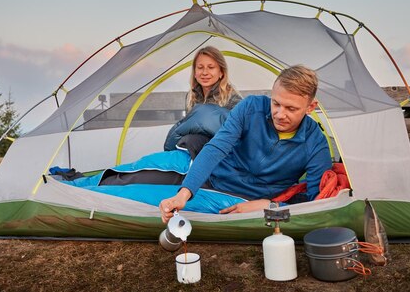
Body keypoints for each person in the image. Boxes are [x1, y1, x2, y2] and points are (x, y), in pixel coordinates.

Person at [159, 65, 332, 223]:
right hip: (210, 171)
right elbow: (216, 147)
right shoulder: (251, 107)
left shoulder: (316, 144)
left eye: (291, 109)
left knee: (139, 197)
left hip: (239, 198)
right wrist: (185, 193)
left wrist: (271, 205)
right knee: (135, 172)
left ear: (311, 107)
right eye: (276, 103)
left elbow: (317, 202)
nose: (279, 114)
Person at [57, 46, 241, 187]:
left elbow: (235, 138)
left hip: (208, 161)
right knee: (141, 165)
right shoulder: (192, 96)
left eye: (211, 67)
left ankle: (83, 183)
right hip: (186, 154)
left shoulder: (233, 100)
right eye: (200, 67)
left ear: (221, 72)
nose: (205, 72)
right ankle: (83, 182)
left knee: (142, 173)